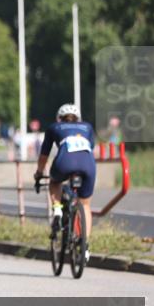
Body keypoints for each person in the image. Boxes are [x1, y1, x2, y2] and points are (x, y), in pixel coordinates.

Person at [33, 104, 97, 260]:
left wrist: (39, 174)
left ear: (59, 117)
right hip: (88, 164)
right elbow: (90, 147)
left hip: (64, 163)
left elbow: (44, 155)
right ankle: (85, 245)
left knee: (55, 183)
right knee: (86, 205)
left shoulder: (54, 127)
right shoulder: (87, 127)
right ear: (78, 118)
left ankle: (57, 209)